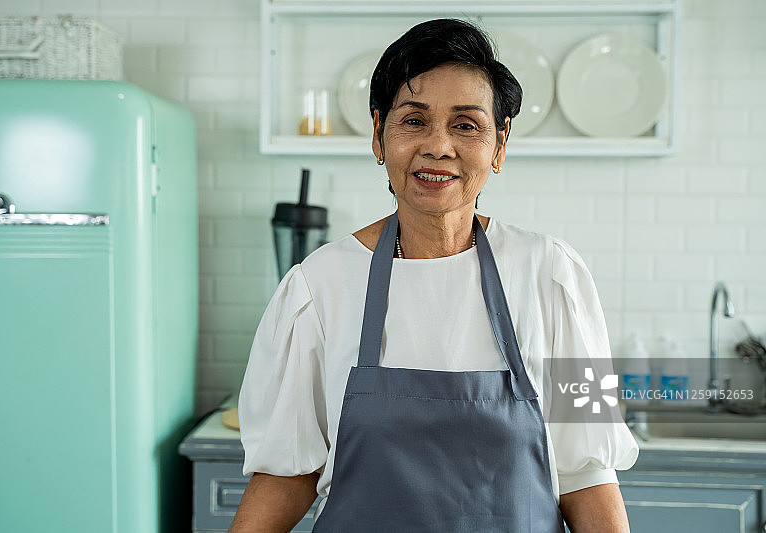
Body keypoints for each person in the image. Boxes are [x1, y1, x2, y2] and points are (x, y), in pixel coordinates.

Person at [230, 18, 638, 533]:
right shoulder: (319, 286)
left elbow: (590, 475)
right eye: (413, 120)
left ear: (499, 143)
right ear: (378, 135)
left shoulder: (556, 277)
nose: (438, 146)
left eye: (466, 125)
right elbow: (287, 472)